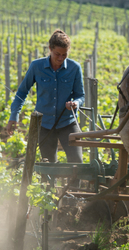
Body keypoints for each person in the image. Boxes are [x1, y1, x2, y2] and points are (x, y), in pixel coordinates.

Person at [6, 29, 85, 165]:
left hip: (68, 123)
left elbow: (80, 95)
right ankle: (50, 187)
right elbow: (22, 92)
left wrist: (75, 103)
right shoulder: (37, 66)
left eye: (64, 55)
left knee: (77, 163)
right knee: (48, 165)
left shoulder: (75, 68)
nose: (60, 58)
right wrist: (14, 115)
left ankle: (73, 187)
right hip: (44, 124)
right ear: (50, 49)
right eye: (57, 54)